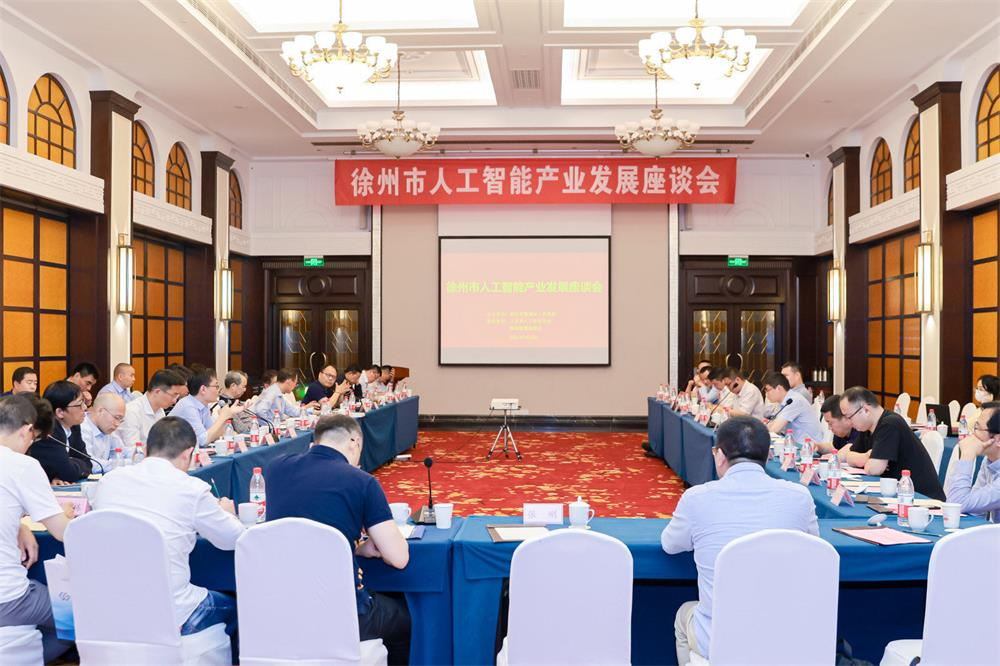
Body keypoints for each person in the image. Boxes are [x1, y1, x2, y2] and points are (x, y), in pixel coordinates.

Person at [661, 417, 818, 664]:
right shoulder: (799, 496)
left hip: (720, 639)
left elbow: (670, 545)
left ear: (720, 456)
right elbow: (814, 548)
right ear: (767, 455)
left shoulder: (697, 498)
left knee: (684, 615)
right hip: (785, 634)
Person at [266, 414, 410, 664]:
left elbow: (308, 523)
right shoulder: (361, 481)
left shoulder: (275, 468)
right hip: (343, 615)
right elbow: (399, 558)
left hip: (280, 609)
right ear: (354, 442)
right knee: (404, 620)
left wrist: (355, 548)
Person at [93, 417, 244, 640]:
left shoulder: (109, 482)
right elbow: (233, 539)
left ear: (146, 450)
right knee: (238, 606)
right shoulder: (191, 489)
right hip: (174, 614)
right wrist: (227, 513)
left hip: (110, 608)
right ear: (188, 453)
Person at [0, 394, 74, 662]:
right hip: (8, 598)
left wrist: (19, 524)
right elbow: (63, 532)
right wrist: (65, 515)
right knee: (84, 616)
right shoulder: (22, 465)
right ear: (27, 429)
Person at [839, 387, 945, 500]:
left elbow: (874, 469)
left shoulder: (890, 424)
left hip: (922, 499)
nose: (849, 422)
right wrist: (866, 457)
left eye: (849, 417)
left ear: (866, 410)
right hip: (899, 495)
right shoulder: (867, 427)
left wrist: (864, 460)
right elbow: (843, 455)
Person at [945, 402, 1000, 522]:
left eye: (977, 428)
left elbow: (956, 504)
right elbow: (974, 510)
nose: (972, 435)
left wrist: (967, 455)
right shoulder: (990, 460)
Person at [32, 382, 91, 483]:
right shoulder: (49, 433)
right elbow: (69, 473)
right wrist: (73, 463)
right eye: (79, 404)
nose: (85, 407)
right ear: (60, 412)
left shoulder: (74, 426)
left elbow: (88, 463)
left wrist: (70, 463)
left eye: (84, 402)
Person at [170, 370, 244, 448]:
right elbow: (203, 441)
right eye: (216, 386)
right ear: (203, 389)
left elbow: (217, 435)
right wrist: (222, 417)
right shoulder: (188, 406)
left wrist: (226, 417)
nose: (218, 391)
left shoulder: (204, 405)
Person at [118, 369, 186, 447]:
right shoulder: (132, 411)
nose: (175, 401)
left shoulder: (160, 410)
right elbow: (133, 449)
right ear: (157, 391)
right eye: (174, 395)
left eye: (177, 396)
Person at [761, 371, 823, 444]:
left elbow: (774, 429)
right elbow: (772, 425)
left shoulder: (794, 400)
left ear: (778, 388)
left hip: (809, 447)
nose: (766, 394)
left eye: (767, 390)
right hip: (796, 444)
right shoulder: (785, 401)